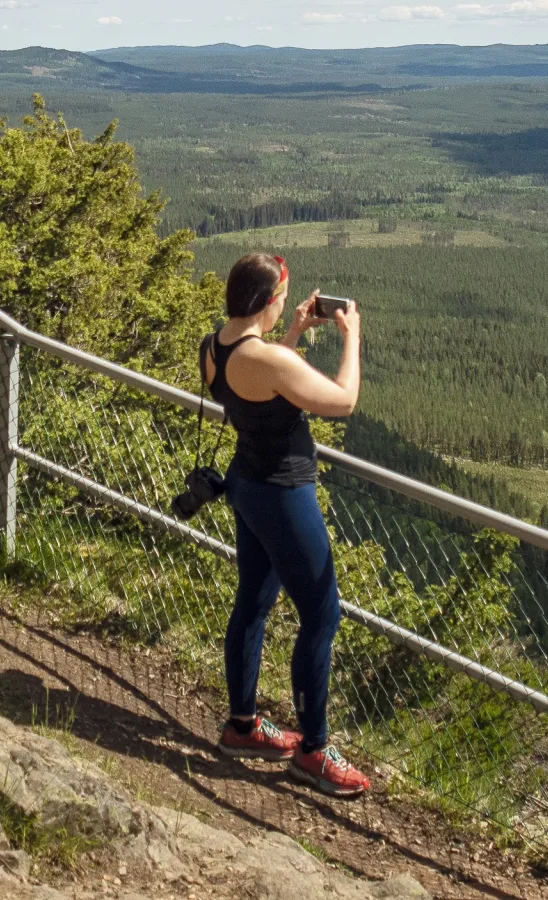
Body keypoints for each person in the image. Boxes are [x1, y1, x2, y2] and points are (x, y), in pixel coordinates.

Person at [201, 253, 369, 798]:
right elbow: (342, 401)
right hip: (284, 493)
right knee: (322, 615)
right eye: (283, 300)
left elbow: (262, 388)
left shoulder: (215, 347)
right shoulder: (268, 360)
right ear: (267, 302)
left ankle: (243, 726)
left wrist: (294, 331)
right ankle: (313, 752)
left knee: (252, 600)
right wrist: (352, 337)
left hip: (246, 485)